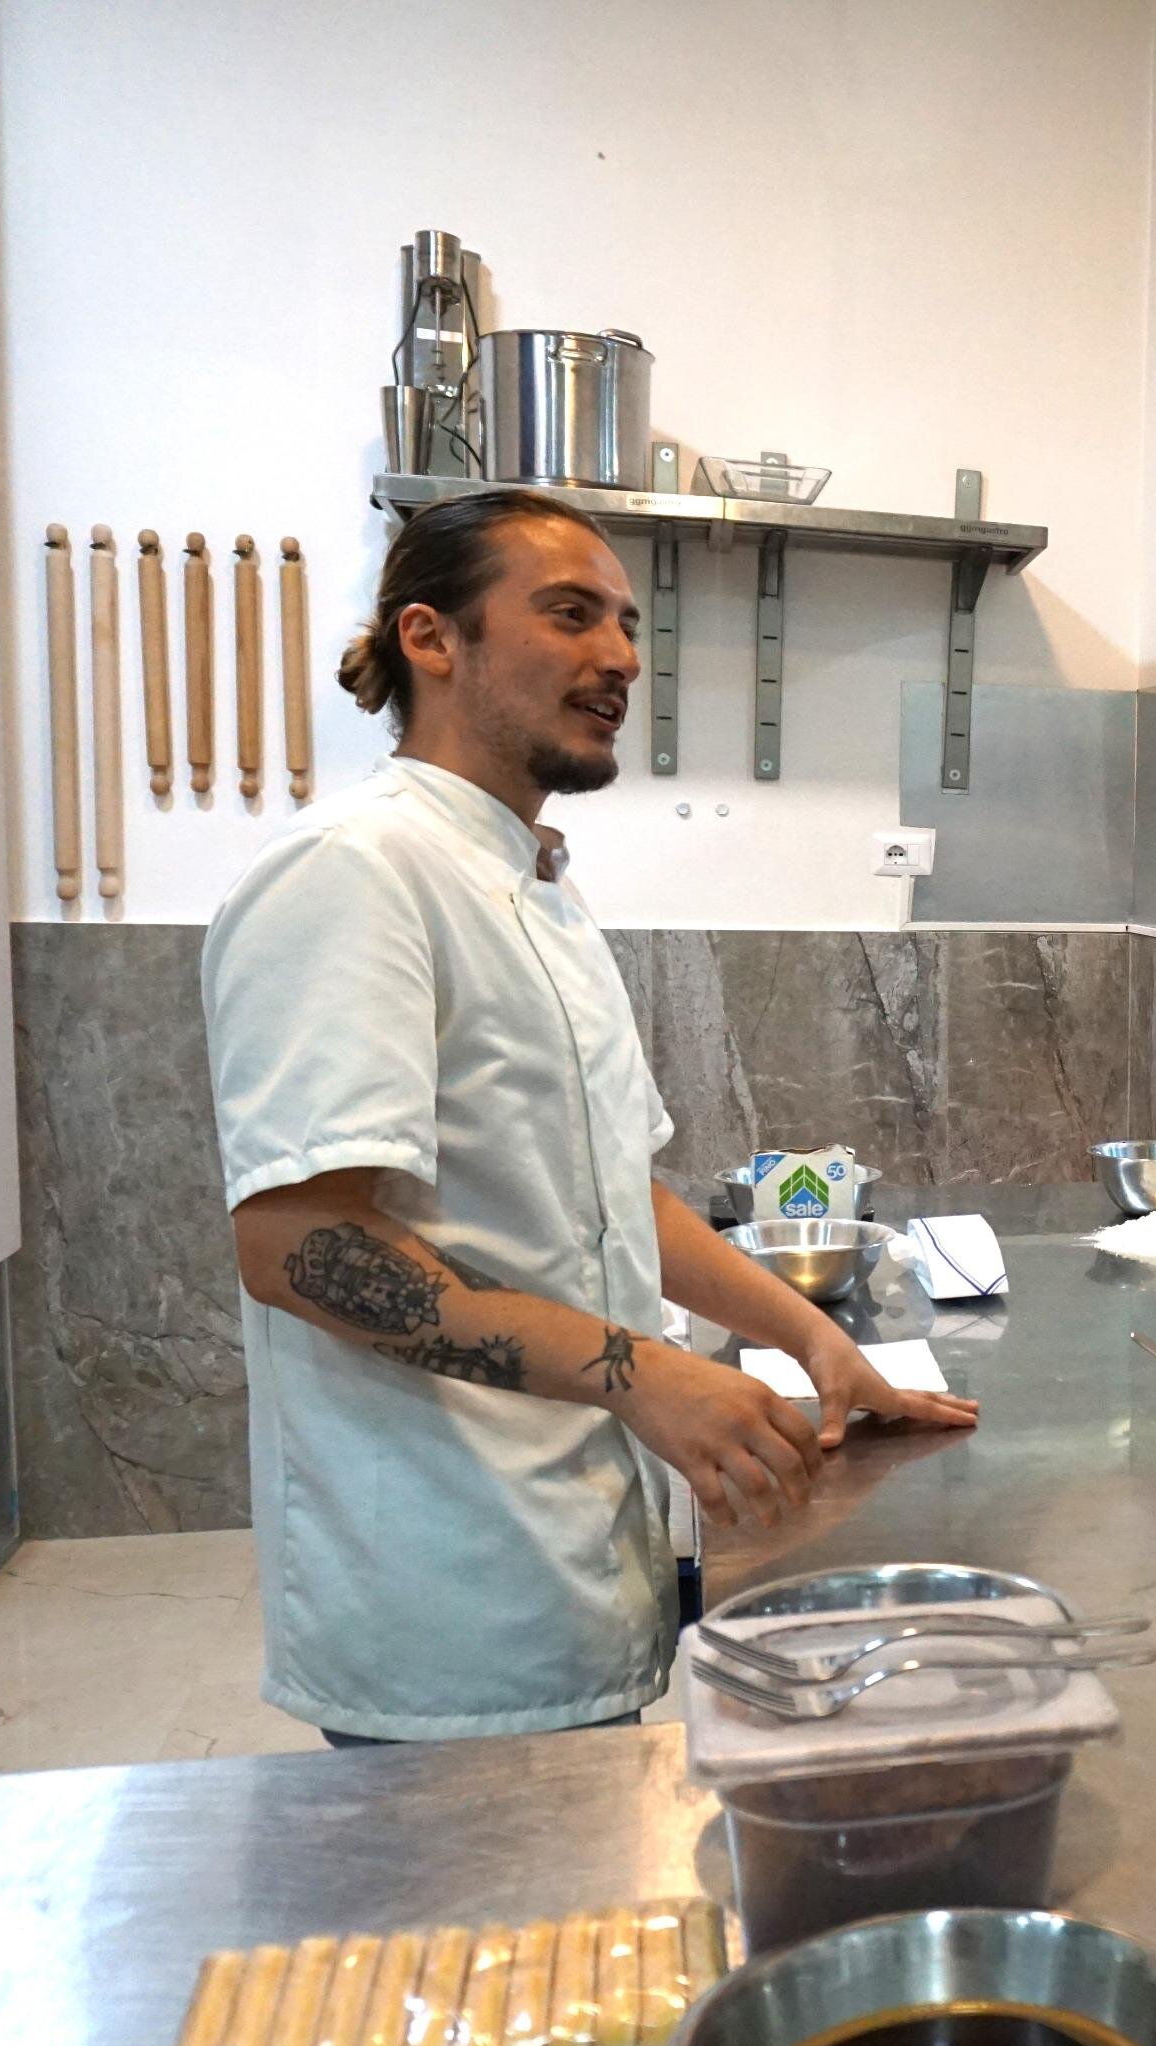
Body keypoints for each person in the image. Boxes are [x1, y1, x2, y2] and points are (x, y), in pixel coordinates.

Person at [204, 487, 978, 1745]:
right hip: (445, 1590)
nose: (618, 655)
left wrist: (814, 1344)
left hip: (573, 1549)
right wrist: (644, 1374)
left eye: (625, 624)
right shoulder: (355, 872)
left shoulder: (537, 885)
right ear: (431, 637)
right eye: (569, 615)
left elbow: (617, 1195)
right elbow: (299, 1245)